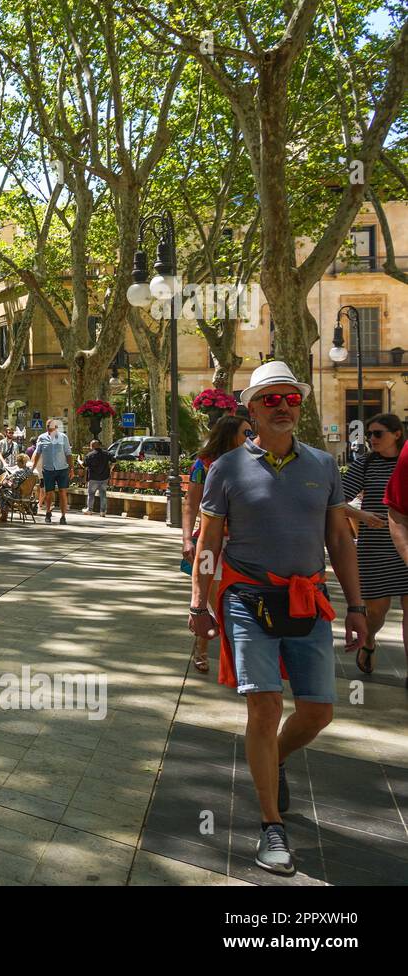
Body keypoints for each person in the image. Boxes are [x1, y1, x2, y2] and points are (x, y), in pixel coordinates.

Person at [190, 361, 365, 876]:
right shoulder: (226, 470)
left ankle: (277, 759)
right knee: (264, 706)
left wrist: (356, 607)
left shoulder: (322, 466)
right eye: (272, 400)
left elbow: (339, 540)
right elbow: (208, 544)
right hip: (248, 598)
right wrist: (199, 604)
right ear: (253, 409)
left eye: (291, 398)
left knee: (317, 712)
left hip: (309, 599)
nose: (284, 406)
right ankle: (271, 827)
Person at [182, 415, 251, 673]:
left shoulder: (253, 461)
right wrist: (187, 538)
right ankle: (204, 649)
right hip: (213, 542)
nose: (250, 437)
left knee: (236, 602)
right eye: (245, 433)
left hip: (245, 542)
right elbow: (190, 503)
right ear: (229, 434)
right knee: (215, 601)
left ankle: (231, 656)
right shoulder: (204, 464)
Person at [342, 413, 408, 679]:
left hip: (404, 544)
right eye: (369, 434)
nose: (371, 439)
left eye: (378, 433)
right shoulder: (365, 464)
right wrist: (362, 516)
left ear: (396, 434)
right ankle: (369, 641)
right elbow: (337, 501)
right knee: (376, 613)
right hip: (375, 549)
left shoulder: (405, 462)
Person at [31, 419, 72, 524]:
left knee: (63, 492)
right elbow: (38, 453)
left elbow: (68, 453)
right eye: (48, 425)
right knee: (49, 493)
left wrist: (71, 468)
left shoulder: (63, 437)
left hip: (62, 469)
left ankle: (63, 516)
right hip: (48, 469)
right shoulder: (42, 438)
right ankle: (48, 512)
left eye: (51, 425)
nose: (49, 427)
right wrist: (33, 467)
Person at [0, 453, 34, 522]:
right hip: (27, 495)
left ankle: (4, 514)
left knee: (0, 493)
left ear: (21, 462)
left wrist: (5, 483)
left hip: (17, 495)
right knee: (2, 491)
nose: (16, 463)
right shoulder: (30, 472)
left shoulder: (18, 472)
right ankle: (7, 511)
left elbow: (14, 486)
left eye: (17, 461)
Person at [81, 439, 116, 516]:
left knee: (91, 494)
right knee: (103, 494)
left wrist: (79, 461)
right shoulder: (106, 453)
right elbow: (114, 460)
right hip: (104, 478)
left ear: (92, 446)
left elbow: (84, 465)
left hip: (93, 478)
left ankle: (89, 510)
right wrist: (110, 468)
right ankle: (102, 512)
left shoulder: (90, 455)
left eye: (90, 445)